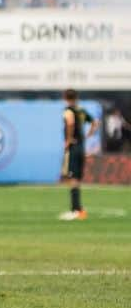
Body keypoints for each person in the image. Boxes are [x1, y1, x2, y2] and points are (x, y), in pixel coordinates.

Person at [59, 88, 97, 221]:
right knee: (76, 178)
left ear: (65, 97)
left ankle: (76, 210)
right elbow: (95, 122)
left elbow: (70, 122)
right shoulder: (81, 110)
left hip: (74, 147)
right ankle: (78, 209)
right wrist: (89, 134)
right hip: (81, 147)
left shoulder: (68, 111)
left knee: (73, 178)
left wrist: (68, 139)